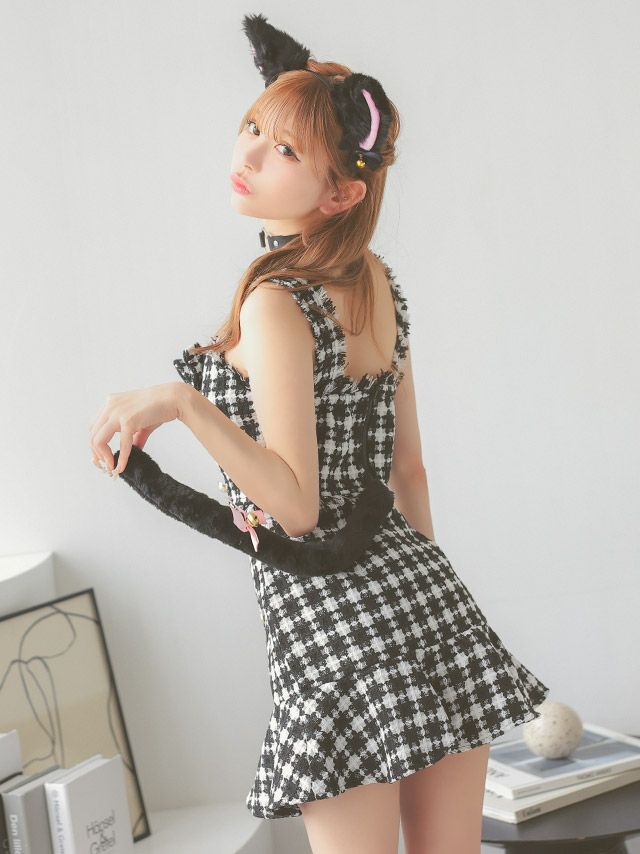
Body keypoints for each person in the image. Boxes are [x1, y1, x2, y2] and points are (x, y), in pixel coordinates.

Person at [91, 14, 550, 854]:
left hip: (332, 628)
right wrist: (421, 610)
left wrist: (186, 405)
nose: (249, 154)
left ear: (341, 194)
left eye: (285, 150)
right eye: (253, 127)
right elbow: (410, 472)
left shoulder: (278, 303)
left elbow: (297, 510)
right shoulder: (376, 282)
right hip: (429, 601)